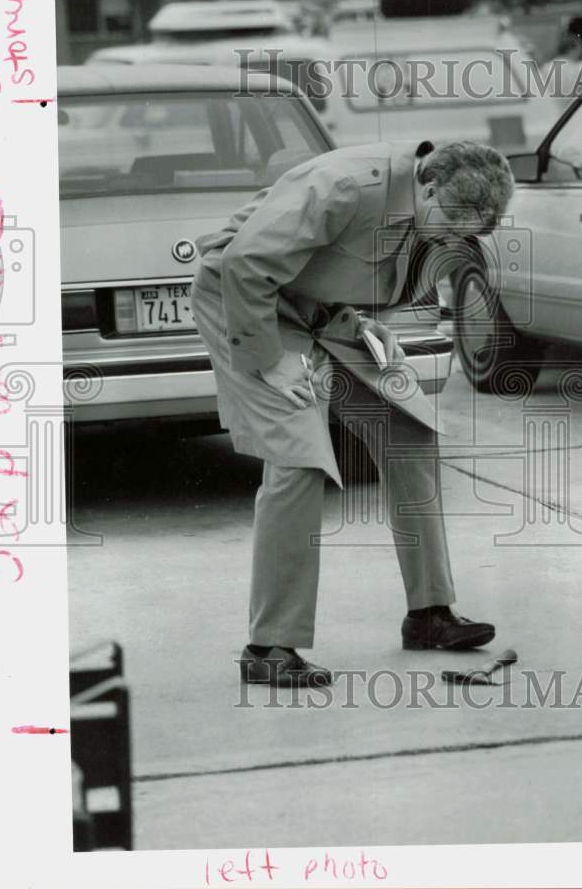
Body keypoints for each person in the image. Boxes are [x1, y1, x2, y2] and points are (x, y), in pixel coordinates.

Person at [191, 139, 515, 687]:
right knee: (298, 456)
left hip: (318, 310)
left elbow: (340, 263)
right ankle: (268, 646)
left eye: (468, 233)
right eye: (452, 224)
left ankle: (430, 615)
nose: (454, 239)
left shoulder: (430, 201)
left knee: (410, 432)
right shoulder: (344, 186)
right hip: (246, 305)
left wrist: (362, 321)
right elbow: (245, 264)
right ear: (428, 184)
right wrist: (269, 362)